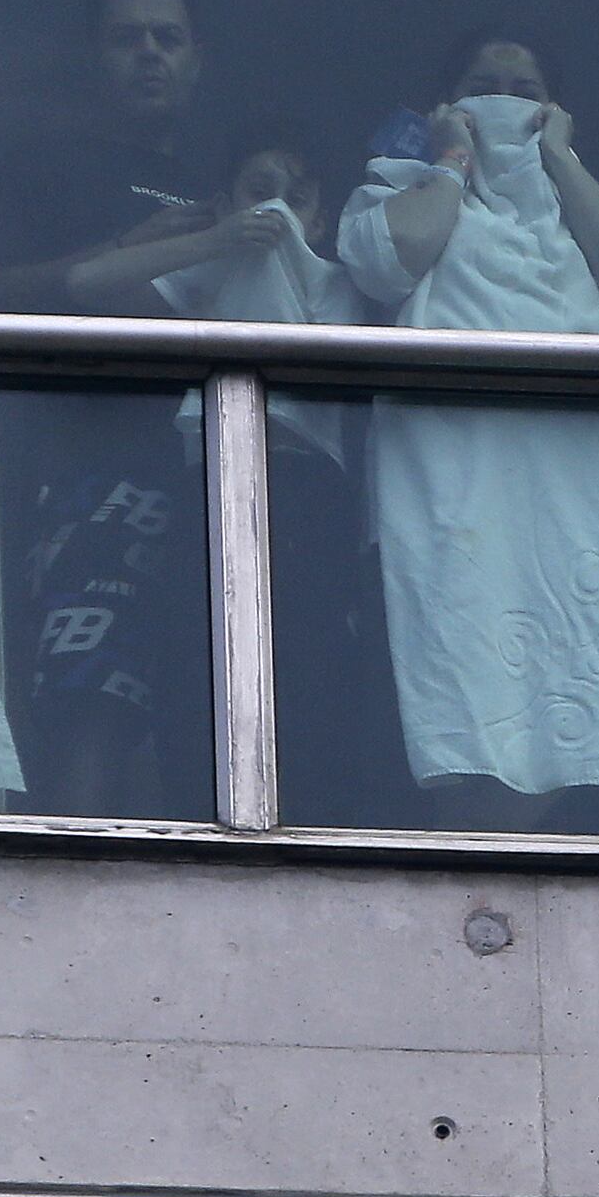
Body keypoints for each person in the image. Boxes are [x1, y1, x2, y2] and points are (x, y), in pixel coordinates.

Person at [336, 35, 599, 833]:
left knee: (588, 678)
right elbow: (391, 257)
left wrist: (561, 158)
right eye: (481, 86)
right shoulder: (397, 186)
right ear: (444, 104)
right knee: (474, 688)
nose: (504, 100)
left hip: (584, 483)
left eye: (523, 89)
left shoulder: (582, 205)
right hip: (460, 471)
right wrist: (452, 159)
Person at [0, 0, 222, 820]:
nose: (149, 53)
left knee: (204, 708)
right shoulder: (48, 168)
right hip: (87, 469)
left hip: (210, 477)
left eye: (167, 37)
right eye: (128, 38)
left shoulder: (226, 180)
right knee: (91, 705)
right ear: (94, 60)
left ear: (197, 62)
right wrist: (129, 247)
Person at [141, 133, 401, 828]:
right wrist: (216, 243)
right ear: (227, 204)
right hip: (203, 481)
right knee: (199, 644)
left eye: (297, 198)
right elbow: (108, 292)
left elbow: (302, 359)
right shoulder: (209, 268)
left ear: (321, 219)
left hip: (306, 488)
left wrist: (276, 249)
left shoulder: (337, 283)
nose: (279, 210)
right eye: (261, 190)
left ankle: (304, 810)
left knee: (307, 651)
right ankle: (203, 809)